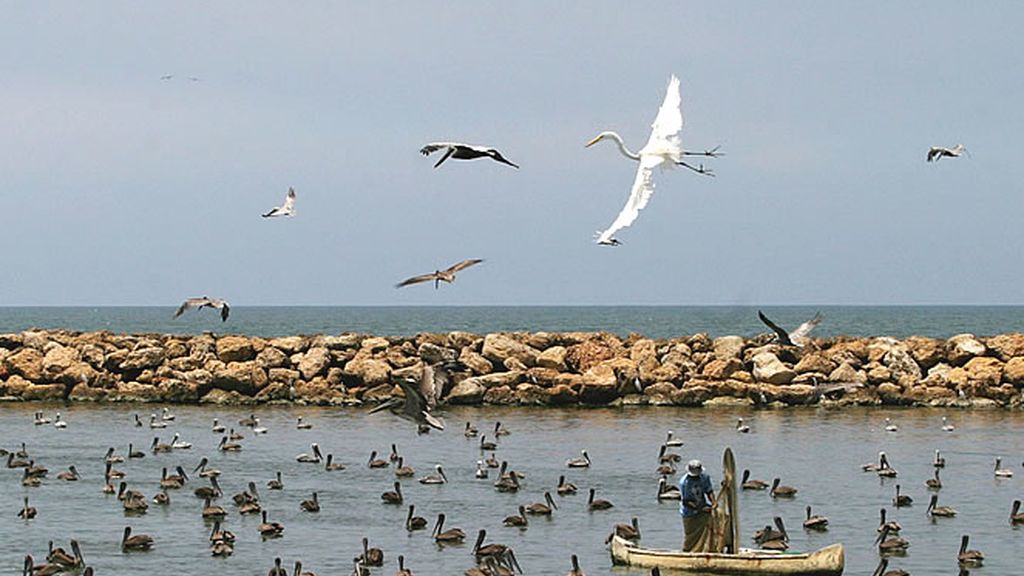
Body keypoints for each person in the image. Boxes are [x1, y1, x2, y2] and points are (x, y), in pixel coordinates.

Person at [679, 459, 716, 551]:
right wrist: (701, 509)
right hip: (689, 512)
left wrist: (714, 503)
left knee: (708, 532)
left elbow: (709, 491)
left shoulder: (704, 478)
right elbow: (686, 501)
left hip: (703, 508)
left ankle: (707, 550)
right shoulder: (685, 482)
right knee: (691, 537)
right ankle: (688, 553)